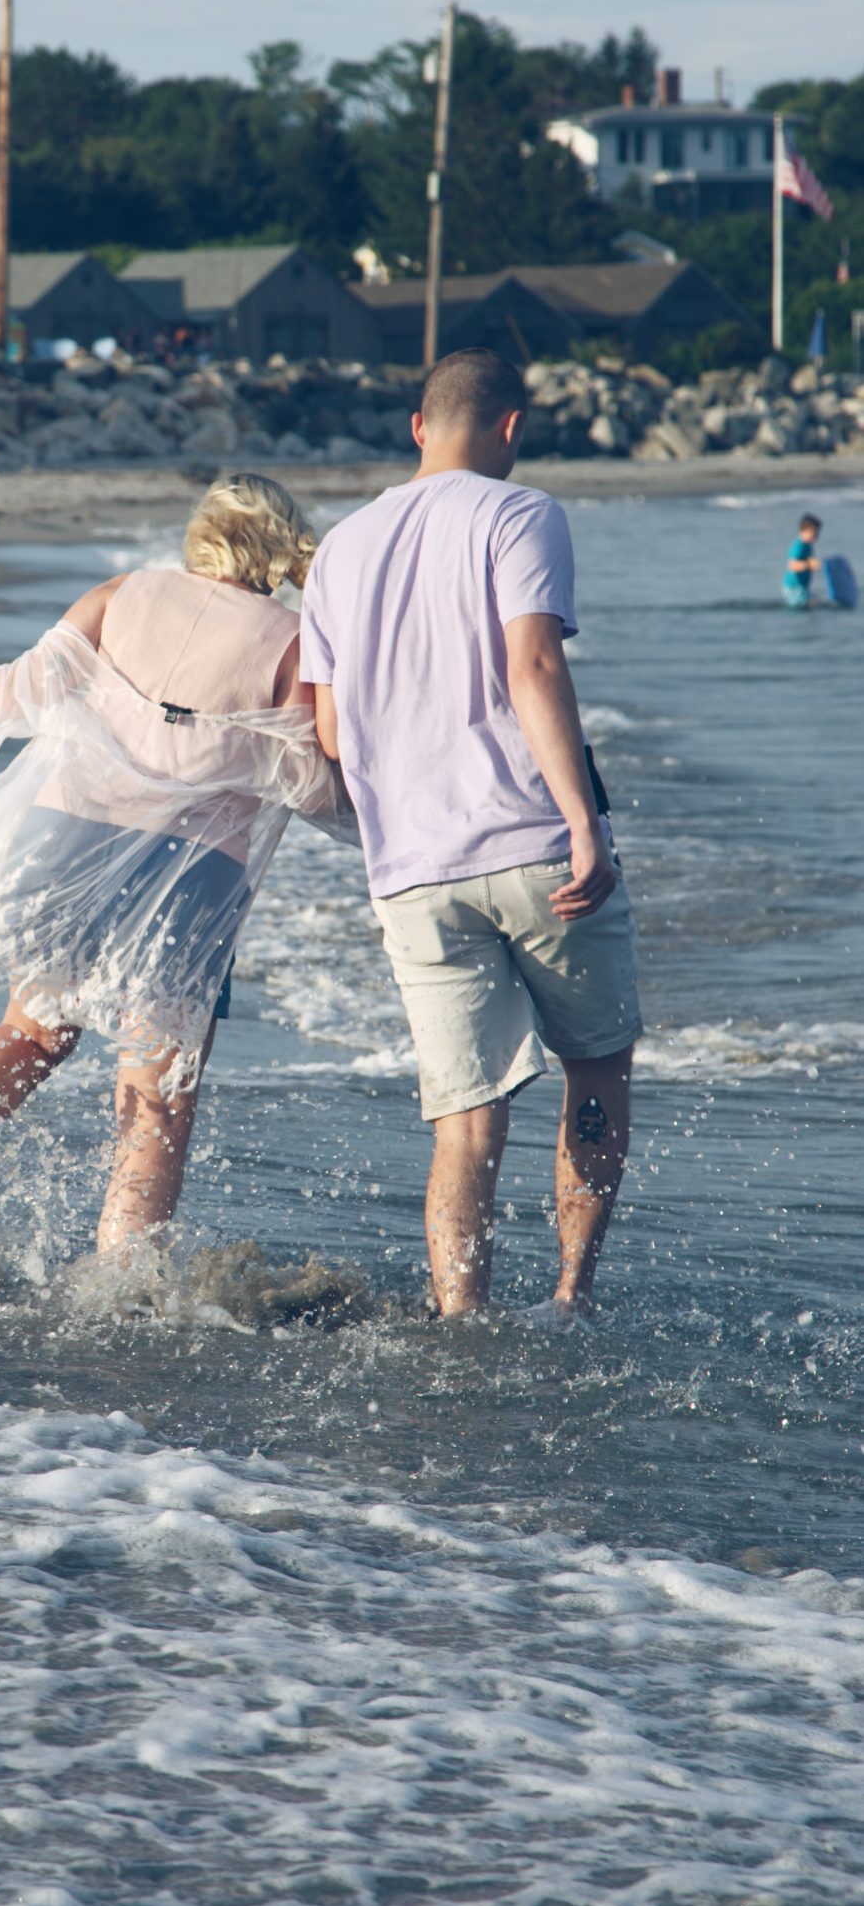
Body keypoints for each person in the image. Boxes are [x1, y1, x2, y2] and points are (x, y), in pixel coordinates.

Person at [0, 473, 351, 1257]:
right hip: (190, 869)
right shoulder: (292, 641)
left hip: (65, 839)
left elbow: (29, 685)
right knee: (156, 1083)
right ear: (278, 549)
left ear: (201, 535)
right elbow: (310, 775)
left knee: (30, 1030)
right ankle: (122, 1274)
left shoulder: (124, 591)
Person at [299, 349, 641, 1318]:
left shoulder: (340, 548)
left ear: (417, 426)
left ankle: (462, 1318)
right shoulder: (519, 512)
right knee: (596, 1063)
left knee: (465, 1121)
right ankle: (571, 1295)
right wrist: (586, 824)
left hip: (409, 868)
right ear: (511, 427)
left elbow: (328, 733)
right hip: (532, 843)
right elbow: (532, 664)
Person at [783, 513, 823, 609]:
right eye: (813, 534)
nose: (816, 537)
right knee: (809, 604)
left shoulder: (808, 547)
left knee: (816, 602)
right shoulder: (799, 546)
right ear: (804, 531)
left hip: (802, 586)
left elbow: (810, 561)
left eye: (817, 534)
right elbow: (791, 565)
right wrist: (808, 565)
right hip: (793, 587)